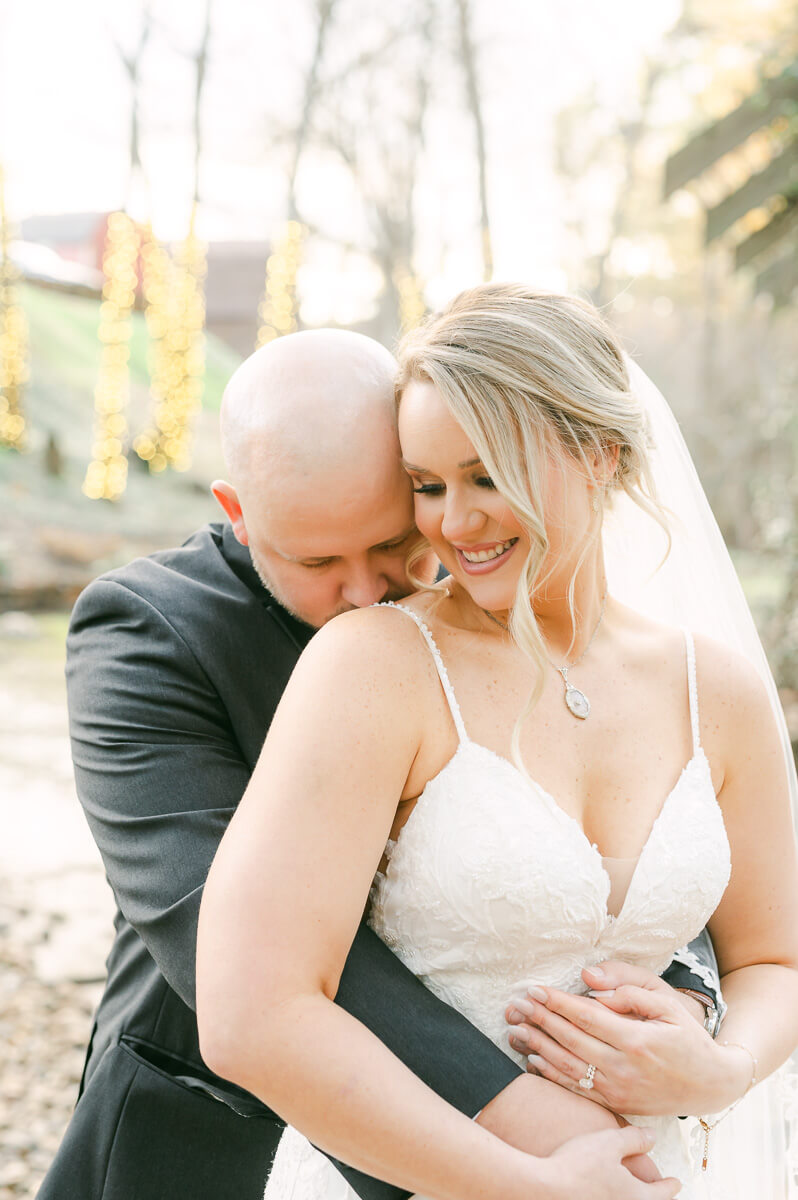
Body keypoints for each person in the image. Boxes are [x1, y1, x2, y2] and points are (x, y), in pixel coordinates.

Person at [40, 327, 720, 1200]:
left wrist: (692, 1001)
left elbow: (612, 829)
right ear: (238, 510)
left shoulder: (493, 602)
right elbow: (222, 933)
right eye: (317, 561)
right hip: (216, 1137)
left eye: (396, 544)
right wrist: (533, 1131)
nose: (369, 594)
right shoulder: (147, 635)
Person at [196, 286, 798, 1200]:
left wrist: (724, 1068)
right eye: (429, 486)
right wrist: (528, 1188)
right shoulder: (374, 667)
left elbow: (774, 960)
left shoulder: (714, 689)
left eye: (487, 476)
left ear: (599, 453)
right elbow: (252, 1015)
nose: (453, 523)